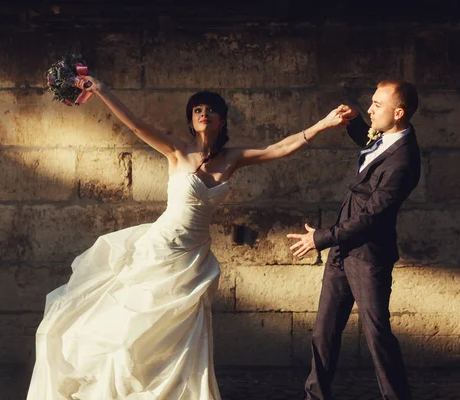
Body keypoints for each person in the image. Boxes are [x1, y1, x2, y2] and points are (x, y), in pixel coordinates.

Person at [27, 75, 347, 400]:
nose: (203, 114)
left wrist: (322, 124)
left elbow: (277, 148)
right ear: (191, 121)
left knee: (179, 333)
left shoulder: (231, 159)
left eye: (210, 110)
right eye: (197, 110)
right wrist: (102, 91)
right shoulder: (177, 151)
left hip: (193, 258)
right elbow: (137, 126)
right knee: (131, 330)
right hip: (161, 250)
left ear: (222, 120)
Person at [287, 80, 421, 400]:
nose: (371, 109)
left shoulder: (404, 161)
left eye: (377, 105)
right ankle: (315, 396)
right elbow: (369, 140)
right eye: (371, 103)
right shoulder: (386, 135)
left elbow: (372, 216)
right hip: (342, 249)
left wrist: (320, 238)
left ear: (399, 113)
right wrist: (356, 119)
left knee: (376, 335)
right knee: (324, 332)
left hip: (368, 255)